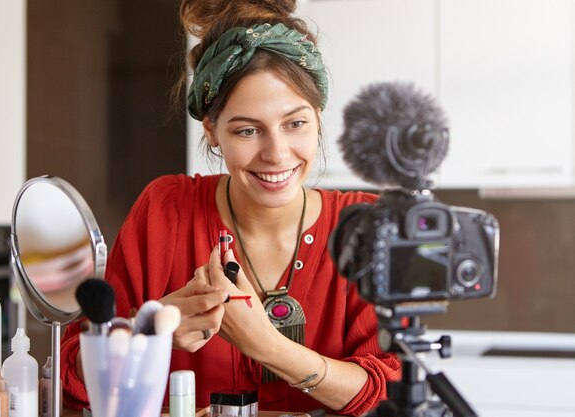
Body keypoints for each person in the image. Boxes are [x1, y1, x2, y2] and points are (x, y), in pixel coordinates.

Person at [60, 0, 401, 415]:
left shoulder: (366, 227)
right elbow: (72, 379)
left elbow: (390, 394)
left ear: (319, 116)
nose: (276, 154)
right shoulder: (164, 210)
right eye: (247, 130)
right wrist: (151, 328)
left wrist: (268, 346)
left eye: (296, 123)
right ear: (212, 130)